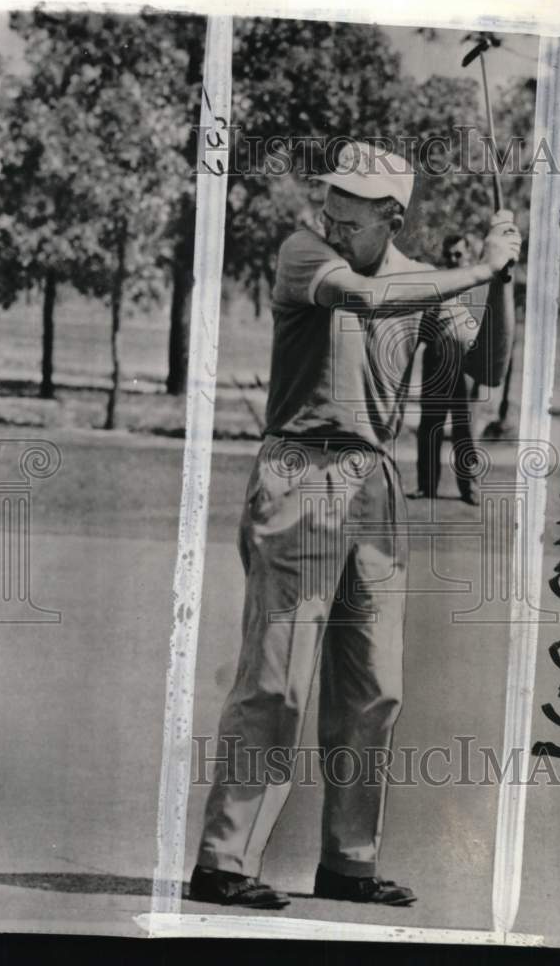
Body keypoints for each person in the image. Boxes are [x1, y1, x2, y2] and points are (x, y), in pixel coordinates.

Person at [189, 141, 520, 910]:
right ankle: (221, 861)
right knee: (277, 680)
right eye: (331, 198)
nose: (333, 215)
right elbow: (367, 303)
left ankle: (348, 862)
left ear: (392, 215)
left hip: (373, 484)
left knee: (374, 688)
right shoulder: (305, 253)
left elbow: (489, 366)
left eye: (352, 208)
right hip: (299, 473)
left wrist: (502, 278)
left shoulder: (425, 284)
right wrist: (475, 270)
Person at [413, 233, 482, 505]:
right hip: (436, 360)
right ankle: (426, 485)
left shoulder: (478, 286)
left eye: (459, 255)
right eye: (449, 255)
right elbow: (420, 326)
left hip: (466, 363)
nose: (453, 260)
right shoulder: (436, 286)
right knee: (431, 425)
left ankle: (470, 488)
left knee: (464, 427)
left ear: (468, 256)